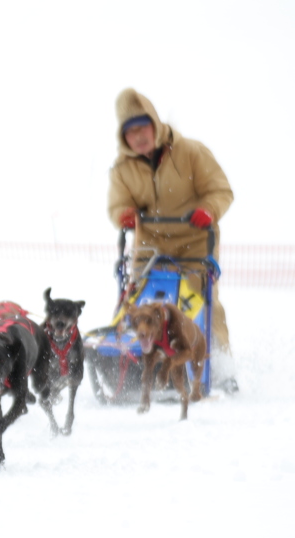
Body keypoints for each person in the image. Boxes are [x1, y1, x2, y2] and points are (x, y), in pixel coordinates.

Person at [108, 87, 237, 391]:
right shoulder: (122, 168)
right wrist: (124, 214)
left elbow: (221, 191)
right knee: (138, 304)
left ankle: (221, 365)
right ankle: (133, 365)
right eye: (131, 132)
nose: (139, 137)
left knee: (203, 302)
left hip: (194, 240)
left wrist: (209, 209)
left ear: (155, 123)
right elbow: (117, 205)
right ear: (123, 137)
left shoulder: (191, 151)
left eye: (143, 128)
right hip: (150, 243)